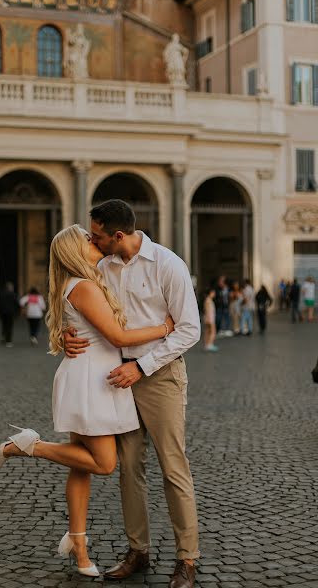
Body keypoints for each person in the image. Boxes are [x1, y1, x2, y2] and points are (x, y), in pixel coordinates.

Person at [0, 224, 175, 578]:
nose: (94, 241)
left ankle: (79, 548)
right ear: (75, 252)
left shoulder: (80, 284)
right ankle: (28, 446)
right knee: (105, 463)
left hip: (89, 374)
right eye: (87, 239)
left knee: (81, 467)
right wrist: (165, 328)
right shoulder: (84, 287)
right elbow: (118, 335)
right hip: (92, 380)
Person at [65, 200, 201, 588]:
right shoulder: (101, 268)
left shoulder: (168, 264)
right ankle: (138, 550)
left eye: (97, 235)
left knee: (173, 467)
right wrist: (65, 335)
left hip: (159, 377)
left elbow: (188, 330)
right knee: (129, 468)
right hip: (117, 376)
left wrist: (141, 367)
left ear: (118, 235)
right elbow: (81, 309)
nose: (92, 240)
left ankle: (187, 559)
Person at [0, 282, 20, 347]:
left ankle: (3, 336)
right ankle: (8, 341)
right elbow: (17, 304)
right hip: (10, 313)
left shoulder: (1, 294)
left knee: (4, 325)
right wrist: (17, 312)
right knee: (9, 326)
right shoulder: (14, 294)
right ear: (10, 288)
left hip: (3, 312)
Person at [203, 287, 218, 352]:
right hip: (210, 318)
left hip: (207, 318)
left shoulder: (207, 300)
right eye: (213, 293)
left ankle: (207, 344)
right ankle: (210, 344)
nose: (214, 294)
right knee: (213, 331)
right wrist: (210, 319)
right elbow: (208, 310)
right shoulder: (209, 300)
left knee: (207, 331)